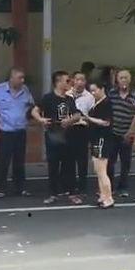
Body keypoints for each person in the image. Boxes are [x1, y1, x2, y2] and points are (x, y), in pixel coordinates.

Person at [0, 67, 34, 198]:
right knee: (4, 161)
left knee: (19, 161)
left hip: (20, 130)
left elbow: (31, 104)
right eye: (20, 78)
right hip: (6, 131)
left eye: (23, 78)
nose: (22, 80)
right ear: (12, 78)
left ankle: (20, 188)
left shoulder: (25, 90)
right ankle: (1, 189)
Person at [32, 71, 83, 205]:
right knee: (53, 165)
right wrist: (41, 120)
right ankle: (52, 193)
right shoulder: (48, 98)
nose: (69, 83)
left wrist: (70, 120)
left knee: (70, 165)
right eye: (67, 81)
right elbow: (34, 111)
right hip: (53, 135)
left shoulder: (69, 99)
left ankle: (72, 193)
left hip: (68, 136)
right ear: (58, 82)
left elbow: (77, 114)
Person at [107, 69, 135, 197]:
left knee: (126, 162)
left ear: (129, 80)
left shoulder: (134, 96)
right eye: (121, 78)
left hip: (127, 133)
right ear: (117, 80)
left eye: (126, 78)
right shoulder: (112, 94)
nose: (123, 80)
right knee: (110, 161)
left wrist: (130, 132)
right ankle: (109, 187)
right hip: (113, 133)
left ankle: (123, 187)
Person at [86, 81, 114, 208]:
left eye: (94, 90)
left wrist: (89, 118)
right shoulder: (96, 104)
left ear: (102, 89)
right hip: (95, 139)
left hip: (102, 139)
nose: (93, 93)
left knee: (102, 170)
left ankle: (109, 198)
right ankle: (103, 195)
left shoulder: (107, 103)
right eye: (91, 91)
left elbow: (105, 122)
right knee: (98, 169)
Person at [67, 71, 94, 195]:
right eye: (77, 79)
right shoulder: (67, 94)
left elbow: (92, 114)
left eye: (82, 80)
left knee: (82, 159)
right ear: (73, 80)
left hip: (82, 129)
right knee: (69, 158)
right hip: (69, 128)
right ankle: (70, 185)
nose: (79, 82)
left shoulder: (89, 97)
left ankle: (82, 186)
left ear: (85, 82)